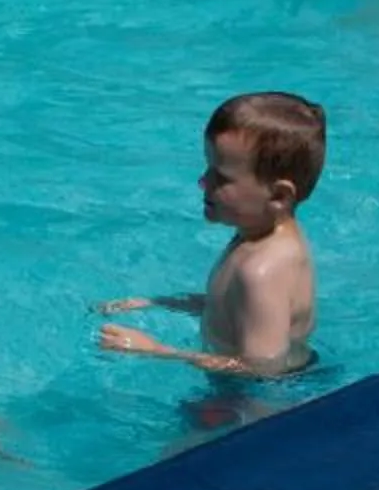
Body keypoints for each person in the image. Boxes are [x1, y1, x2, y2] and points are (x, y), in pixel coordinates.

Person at [98, 92, 322, 378]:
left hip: (257, 401)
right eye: (208, 169)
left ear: (278, 195)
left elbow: (263, 369)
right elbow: (230, 305)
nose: (203, 183)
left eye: (222, 178)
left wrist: (157, 350)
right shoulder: (257, 235)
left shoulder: (262, 272)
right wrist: (159, 303)